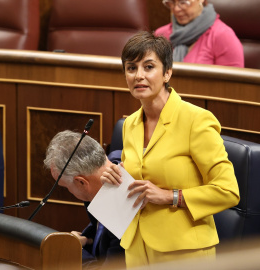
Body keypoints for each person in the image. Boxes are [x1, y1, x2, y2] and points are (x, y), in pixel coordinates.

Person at [100, 31, 240, 268]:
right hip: (136, 248)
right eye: (131, 68)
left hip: (185, 252)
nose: (139, 76)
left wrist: (170, 196)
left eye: (149, 67)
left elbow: (228, 190)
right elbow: (139, 181)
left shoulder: (196, 120)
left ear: (167, 73)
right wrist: (116, 177)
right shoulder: (130, 124)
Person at [44, 130, 124, 270]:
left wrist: (72, 250)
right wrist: (84, 240)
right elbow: (99, 231)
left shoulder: (122, 212)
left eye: (66, 187)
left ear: (81, 182)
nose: (69, 191)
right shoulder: (110, 164)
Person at [154, 0, 244, 67]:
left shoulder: (223, 35)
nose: (176, 9)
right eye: (172, 3)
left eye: (183, 2)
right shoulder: (161, 35)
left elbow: (234, 87)